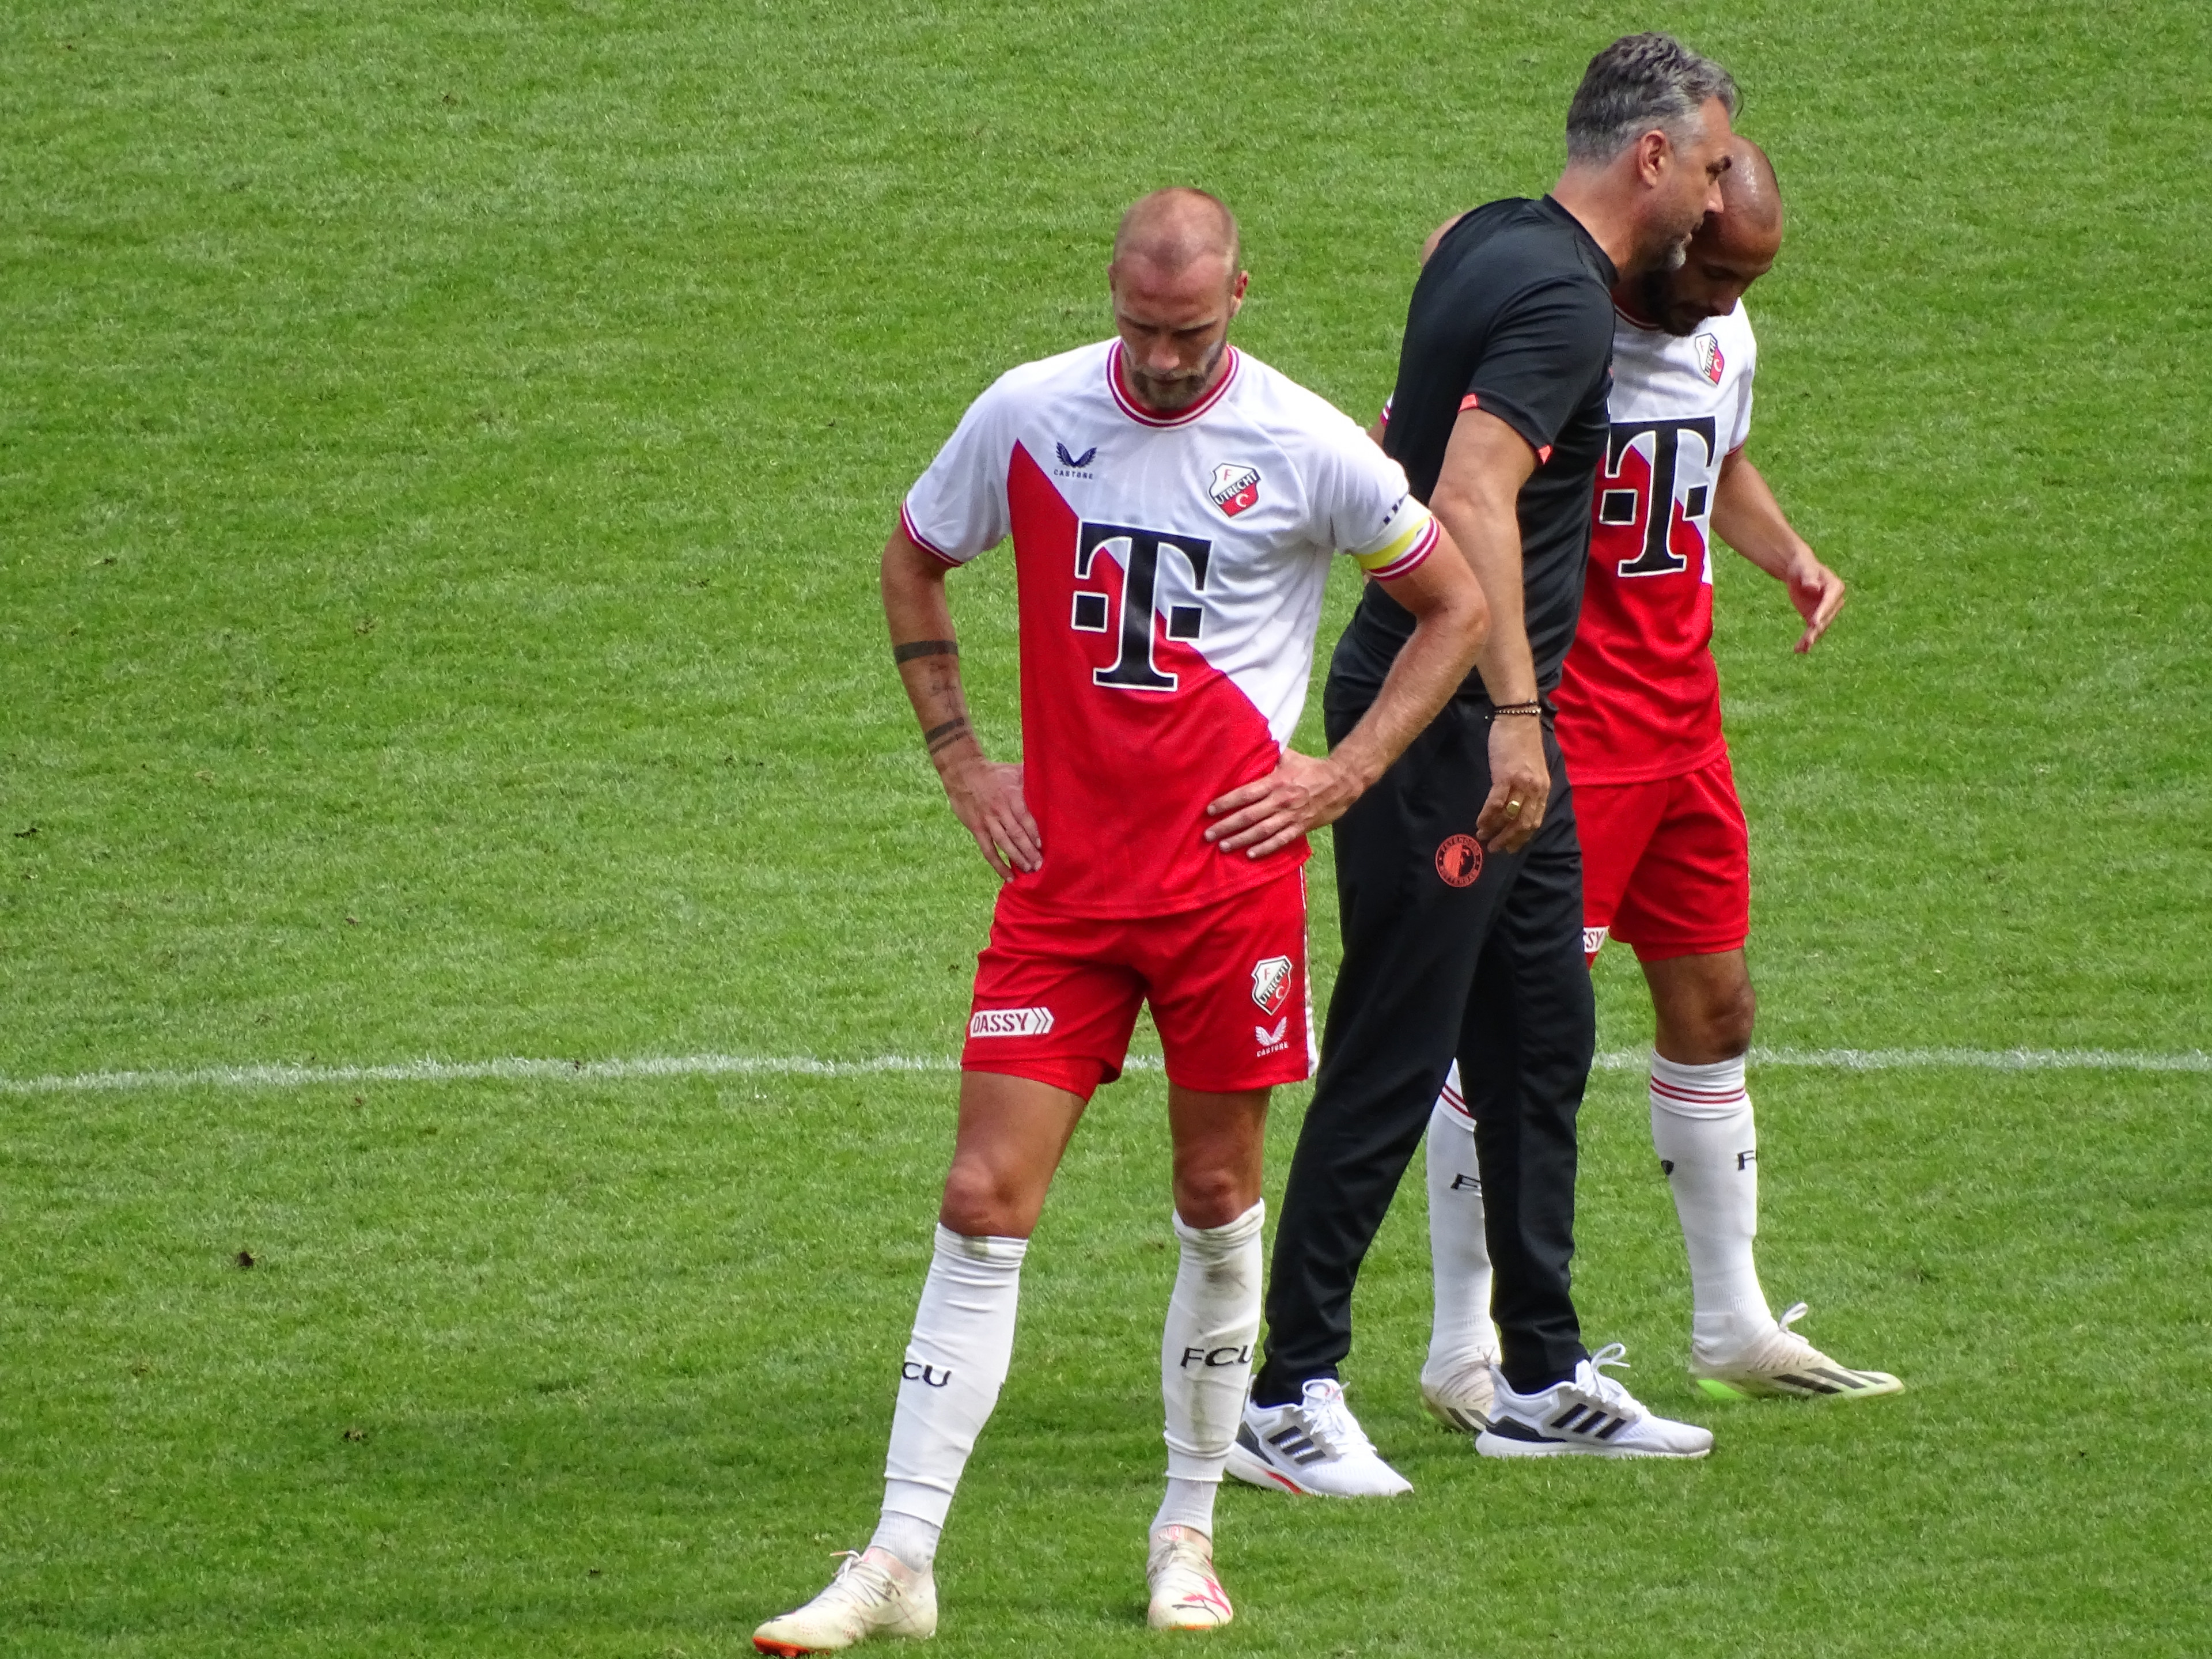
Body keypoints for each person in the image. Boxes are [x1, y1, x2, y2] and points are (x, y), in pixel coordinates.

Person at [751, 188, 1487, 1653]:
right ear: (1113, 297)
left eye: (1190, 331)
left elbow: (1455, 605)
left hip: (1228, 900)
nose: (1161, 360)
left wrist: (1343, 775)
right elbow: (914, 554)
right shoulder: (1028, 411)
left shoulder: (1306, 441)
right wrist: (961, 755)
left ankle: (1187, 1531)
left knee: (1217, 1201)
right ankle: (901, 1559)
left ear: (1241, 296)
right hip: (1064, 896)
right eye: (1143, 330)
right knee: (980, 1200)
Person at [1226, 33, 1739, 1499]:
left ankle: (1540, 1373)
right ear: (1651, 156)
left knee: (1541, 1033)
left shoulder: (1492, 237)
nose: (1714, 204)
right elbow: (1469, 497)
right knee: (1397, 1042)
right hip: (1453, 718)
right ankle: (1287, 1393)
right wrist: (1517, 713)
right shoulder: (1567, 305)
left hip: (1501, 726)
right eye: (1707, 168)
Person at [1421, 138, 1900, 1419]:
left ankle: (1732, 1321)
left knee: (1718, 1009)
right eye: (1720, 272)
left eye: (1752, 281)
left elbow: (1720, 459)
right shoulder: (1556, 338)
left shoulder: (1719, 341)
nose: (1731, 303)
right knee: (1516, 1044)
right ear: (1668, 227)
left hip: (1686, 730)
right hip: (1570, 737)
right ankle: (1463, 1348)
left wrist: (1789, 556)